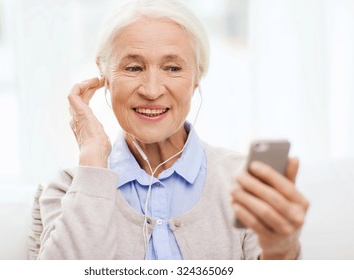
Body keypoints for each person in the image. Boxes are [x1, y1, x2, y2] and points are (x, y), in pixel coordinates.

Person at [32, 0, 309, 260]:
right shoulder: (69, 190)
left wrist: (281, 250)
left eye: (173, 68)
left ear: (197, 76)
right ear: (103, 73)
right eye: (134, 67)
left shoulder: (244, 182)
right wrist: (93, 157)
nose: (152, 91)